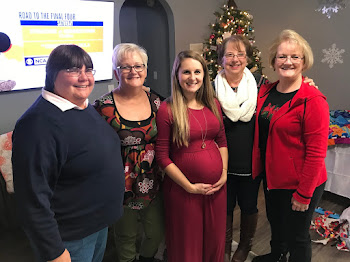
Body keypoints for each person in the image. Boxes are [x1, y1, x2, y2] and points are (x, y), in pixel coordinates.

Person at [12, 45, 125, 262]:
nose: (84, 77)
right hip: (70, 238)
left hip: (96, 227)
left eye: (89, 70)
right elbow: (32, 198)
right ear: (53, 74)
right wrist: (53, 251)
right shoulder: (37, 125)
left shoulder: (81, 106)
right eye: (74, 70)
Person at [251, 29, 329, 262]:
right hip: (273, 177)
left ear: (304, 62)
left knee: (298, 236)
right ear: (273, 61)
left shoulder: (313, 100)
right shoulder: (265, 91)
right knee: (276, 223)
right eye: (282, 56)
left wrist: (304, 194)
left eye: (295, 57)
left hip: (301, 182)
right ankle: (277, 256)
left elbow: (316, 153)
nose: (288, 61)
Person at [93, 43, 164, 262]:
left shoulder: (157, 102)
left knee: (156, 233)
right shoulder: (102, 106)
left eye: (138, 66)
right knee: (125, 236)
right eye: (125, 67)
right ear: (116, 72)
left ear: (145, 69)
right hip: (119, 185)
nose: (133, 71)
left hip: (154, 180)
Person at [155, 50, 228, 262]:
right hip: (183, 191)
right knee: (188, 245)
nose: (192, 77)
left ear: (204, 75)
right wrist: (189, 186)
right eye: (186, 72)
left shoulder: (214, 104)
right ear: (177, 75)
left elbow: (222, 141)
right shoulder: (167, 109)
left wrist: (223, 173)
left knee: (214, 242)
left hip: (217, 189)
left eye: (197, 71)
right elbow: (162, 156)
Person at [215, 35, 263, 262]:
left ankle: (244, 247)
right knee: (223, 208)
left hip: (250, 162)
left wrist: (307, 82)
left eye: (240, 54)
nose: (235, 59)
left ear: (247, 58)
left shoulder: (260, 84)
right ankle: (223, 247)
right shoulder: (210, 87)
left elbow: (287, 88)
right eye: (230, 54)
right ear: (221, 59)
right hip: (220, 163)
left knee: (248, 206)